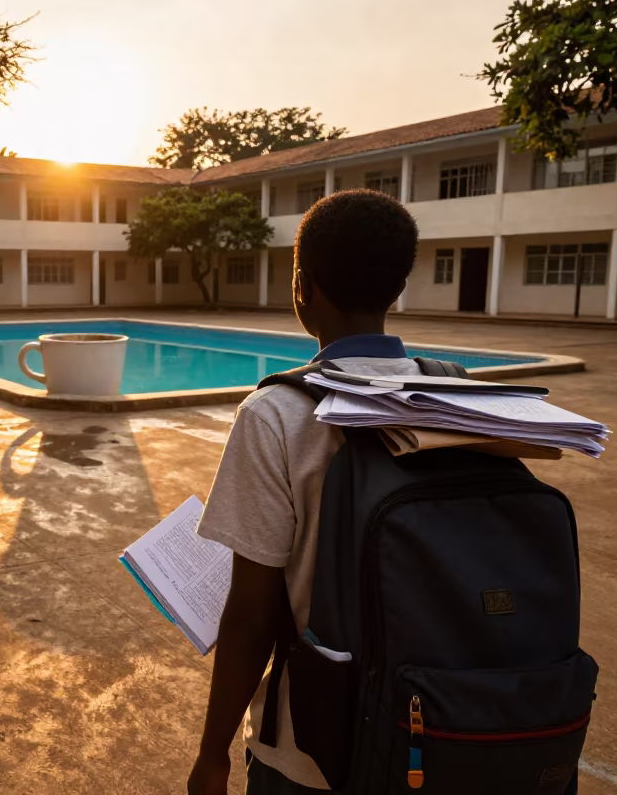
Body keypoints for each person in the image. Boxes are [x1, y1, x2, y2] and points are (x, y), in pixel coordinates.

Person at [187, 189, 421, 794]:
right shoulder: (456, 398)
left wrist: (212, 755)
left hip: (312, 752)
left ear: (301, 287)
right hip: (431, 726)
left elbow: (253, 615)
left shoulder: (277, 413)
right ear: (398, 288)